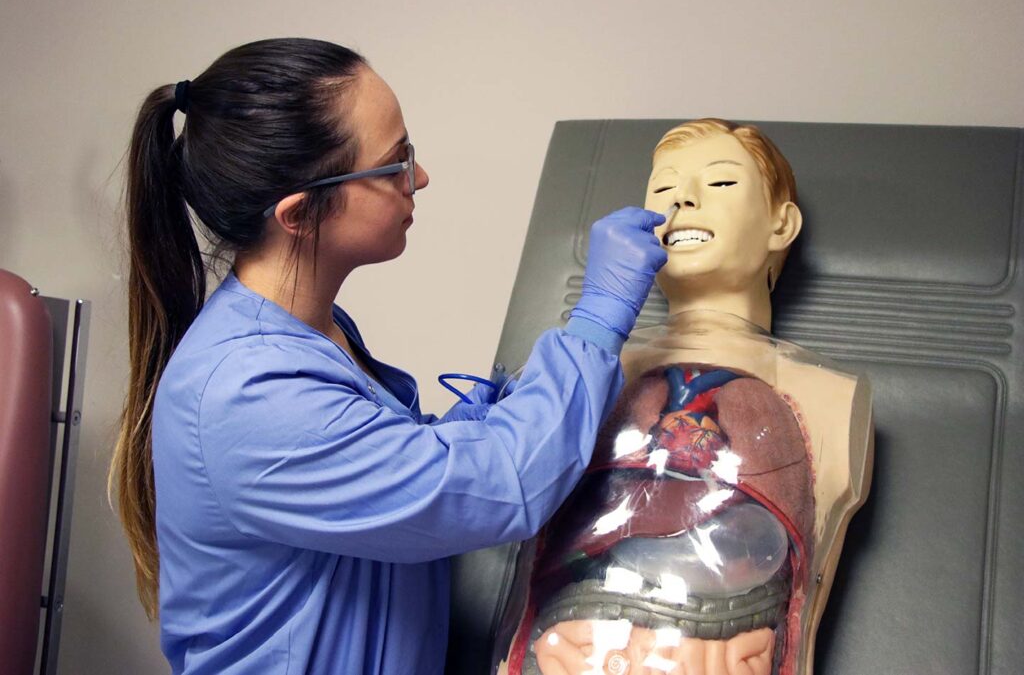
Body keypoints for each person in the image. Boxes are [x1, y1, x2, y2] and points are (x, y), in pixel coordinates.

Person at [107, 38, 668, 675]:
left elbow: (386, 487)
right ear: (299, 214)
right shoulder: (247, 390)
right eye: (395, 162)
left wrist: (461, 430)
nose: (419, 178)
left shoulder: (313, 334)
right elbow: (502, 486)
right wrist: (598, 317)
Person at [496, 119, 873, 675]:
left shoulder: (831, 398)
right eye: (664, 190)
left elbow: (801, 614)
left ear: (780, 223)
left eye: (720, 184)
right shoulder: (570, 375)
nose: (686, 201)